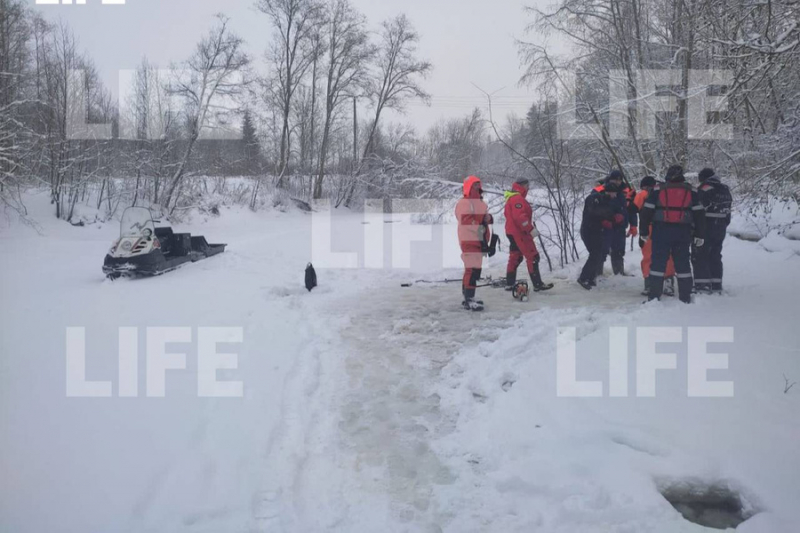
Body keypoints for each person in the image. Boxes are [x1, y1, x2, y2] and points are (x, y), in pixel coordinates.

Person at [639, 165, 706, 303]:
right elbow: (700, 215)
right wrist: (700, 234)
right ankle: (685, 298)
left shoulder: (657, 190)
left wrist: (644, 232)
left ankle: (654, 297)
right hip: (683, 232)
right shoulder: (691, 191)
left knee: (657, 264)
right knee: (683, 265)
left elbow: (646, 213)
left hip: (661, 231)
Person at [504, 177, 554, 292]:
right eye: (527, 186)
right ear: (522, 186)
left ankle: (509, 283)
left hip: (511, 232)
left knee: (515, 256)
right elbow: (520, 217)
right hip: (520, 233)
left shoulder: (511, 198)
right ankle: (537, 284)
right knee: (533, 257)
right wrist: (530, 229)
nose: (528, 188)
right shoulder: (517, 199)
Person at [692, 168, 733, 294]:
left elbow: (697, 209)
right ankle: (716, 284)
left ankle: (702, 285)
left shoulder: (704, 189)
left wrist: (694, 227)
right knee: (715, 255)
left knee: (700, 254)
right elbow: (728, 210)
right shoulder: (725, 189)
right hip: (720, 227)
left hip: (705, 227)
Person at [634, 176, 675, 295]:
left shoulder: (643, 194)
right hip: (666, 227)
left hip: (649, 228)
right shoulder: (664, 193)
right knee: (668, 255)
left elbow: (632, 209)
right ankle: (668, 283)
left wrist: (631, 197)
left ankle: (649, 284)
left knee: (648, 256)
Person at [578, 181, 622, 290]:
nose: (615, 196)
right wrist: (612, 218)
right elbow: (595, 212)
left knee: (598, 254)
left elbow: (603, 213)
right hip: (589, 230)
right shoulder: (594, 198)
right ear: (609, 192)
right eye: (614, 193)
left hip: (597, 230)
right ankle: (584, 278)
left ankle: (591, 277)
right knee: (595, 254)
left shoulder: (605, 201)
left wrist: (613, 218)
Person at [456, 175, 490, 311]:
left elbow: (482, 218)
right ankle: (468, 299)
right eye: (474, 185)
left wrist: (488, 218)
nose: (478, 187)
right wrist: (480, 226)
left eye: (478, 184)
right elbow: (466, 220)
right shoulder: (464, 203)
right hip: (469, 239)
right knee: (471, 269)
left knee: (475, 270)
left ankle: (469, 297)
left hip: (478, 240)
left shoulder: (479, 202)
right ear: (469, 187)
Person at [595, 171, 639, 276]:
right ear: (610, 179)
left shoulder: (627, 190)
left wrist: (633, 225)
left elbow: (631, 209)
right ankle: (597, 274)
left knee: (619, 251)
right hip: (605, 226)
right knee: (601, 251)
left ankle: (619, 273)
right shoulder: (600, 189)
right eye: (615, 179)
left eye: (620, 180)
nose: (618, 182)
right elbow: (594, 206)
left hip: (620, 226)